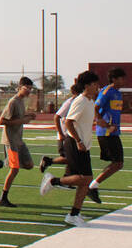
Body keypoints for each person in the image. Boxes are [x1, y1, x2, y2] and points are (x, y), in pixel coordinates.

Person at [39, 71, 100, 227]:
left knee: (85, 182)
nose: (97, 87)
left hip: (83, 145)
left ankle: (74, 214)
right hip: (74, 143)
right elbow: (68, 122)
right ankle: (53, 181)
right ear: (87, 86)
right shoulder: (80, 101)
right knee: (85, 178)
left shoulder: (90, 101)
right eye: (95, 84)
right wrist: (78, 140)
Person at [0, 77, 37, 208]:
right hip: (10, 140)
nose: (29, 90)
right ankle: (2, 198)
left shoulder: (21, 102)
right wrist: (22, 121)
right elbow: (2, 121)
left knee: (29, 164)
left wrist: (28, 115)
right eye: (26, 88)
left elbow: (19, 117)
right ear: (19, 87)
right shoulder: (13, 102)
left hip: (19, 140)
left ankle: (0, 163)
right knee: (15, 169)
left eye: (30, 88)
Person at [89, 68, 127, 202]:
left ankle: (93, 185)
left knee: (118, 163)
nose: (124, 81)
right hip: (106, 133)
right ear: (114, 79)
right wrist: (101, 122)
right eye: (122, 78)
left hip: (113, 132)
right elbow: (95, 107)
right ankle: (92, 186)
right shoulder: (107, 91)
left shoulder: (118, 93)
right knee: (118, 163)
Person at [42, 82, 82, 173]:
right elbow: (56, 117)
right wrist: (60, 133)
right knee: (70, 158)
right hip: (65, 135)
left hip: (72, 135)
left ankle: (67, 178)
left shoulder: (78, 103)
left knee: (73, 158)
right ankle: (48, 161)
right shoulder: (69, 103)